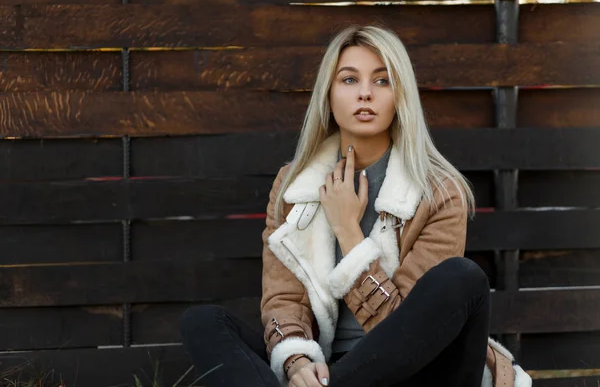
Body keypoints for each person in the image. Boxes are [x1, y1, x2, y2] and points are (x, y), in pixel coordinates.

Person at [180, 25, 531, 387]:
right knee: (203, 322)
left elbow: (409, 332)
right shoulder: (294, 186)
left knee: (462, 278)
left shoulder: (438, 192)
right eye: (349, 80)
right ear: (328, 96)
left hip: (418, 374)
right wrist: (297, 363)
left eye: (382, 81)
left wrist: (349, 233)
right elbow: (283, 298)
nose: (365, 93)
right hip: (327, 371)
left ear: (401, 96)